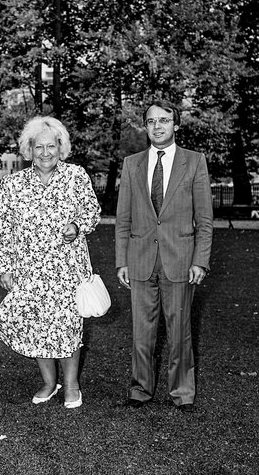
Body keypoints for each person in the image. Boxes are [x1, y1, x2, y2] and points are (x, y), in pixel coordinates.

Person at [0, 116, 101, 409]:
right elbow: (4, 227)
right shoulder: (13, 184)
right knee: (37, 325)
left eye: (51, 146)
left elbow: (93, 211)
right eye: (38, 147)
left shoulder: (76, 176)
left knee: (67, 326)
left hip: (67, 268)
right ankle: (49, 382)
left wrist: (77, 225)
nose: (45, 153)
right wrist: (4, 266)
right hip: (29, 269)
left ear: (61, 146)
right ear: (28, 149)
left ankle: (71, 385)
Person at [115, 100, 213, 413]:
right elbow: (123, 219)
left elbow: (205, 220)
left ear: (176, 125)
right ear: (145, 126)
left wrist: (200, 260)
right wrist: (122, 261)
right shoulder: (132, 164)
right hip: (141, 258)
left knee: (180, 331)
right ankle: (140, 389)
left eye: (165, 121)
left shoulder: (195, 162)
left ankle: (182, 392)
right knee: (141, 333)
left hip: (181, 260)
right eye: (152, 121)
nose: (158, 127)